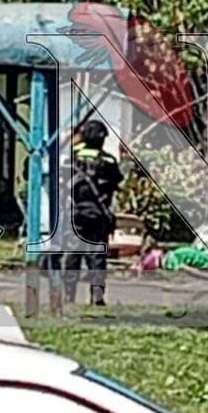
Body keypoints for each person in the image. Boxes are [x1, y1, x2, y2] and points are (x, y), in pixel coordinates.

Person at [64, 120, 123, 306]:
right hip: (100, 215)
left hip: (77, 214)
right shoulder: (109, 161)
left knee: (73, 255)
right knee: (98, 257)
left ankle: (69, 295)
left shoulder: (73, 158)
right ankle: (97, 296)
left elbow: (62, 182)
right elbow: (117, 181)